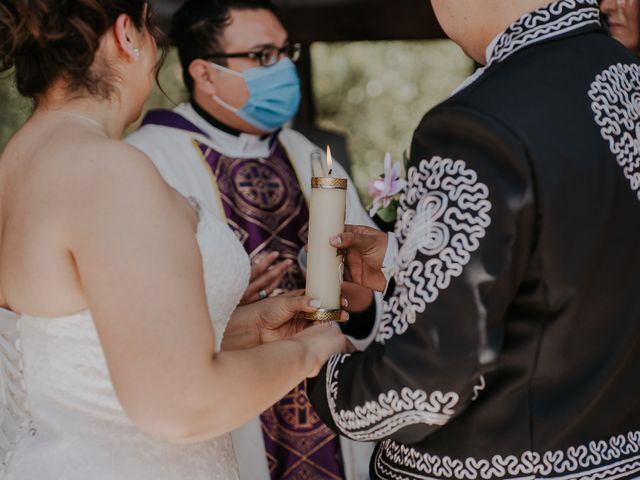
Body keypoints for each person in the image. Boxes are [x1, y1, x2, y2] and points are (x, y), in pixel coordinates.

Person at [0, 1, 350, 479]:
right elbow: (180, 405)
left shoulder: (20, 160)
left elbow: (90, 344)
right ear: (127, 35)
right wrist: (309, 353)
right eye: (150, 27)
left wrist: (249, 330)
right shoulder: (109, 172)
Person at [306, 0, 640, 479]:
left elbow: (423, 386)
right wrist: (408, 264)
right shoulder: (627, 77)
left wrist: (321, 369)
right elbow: (581, 263)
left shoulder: (475, 124)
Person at [126, 1, 380, 479]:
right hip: (232, 416)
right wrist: (225, 305)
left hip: (328, 408)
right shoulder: (147, 160)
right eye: (263, 56)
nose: (284, 67)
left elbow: (374, 299)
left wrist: (361, 299)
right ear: (204, 72)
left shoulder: (308, 156)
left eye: (286, 52)